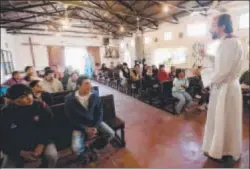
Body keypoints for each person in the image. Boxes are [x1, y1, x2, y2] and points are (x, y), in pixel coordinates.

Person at [201, 14, 244, 166]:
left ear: (222, 27)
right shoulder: (229, 41)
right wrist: (206, 56)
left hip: (225, 89)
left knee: (224, 121)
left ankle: (225, 152)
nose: (211, 28)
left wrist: (207, 79)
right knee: (224, 121)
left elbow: (222, 71)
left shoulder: (229, 43)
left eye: (214, 25)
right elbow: (221, 63)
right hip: (226, 87)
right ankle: (222, 150)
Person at [0, 84, 58, 168]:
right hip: (17, 146)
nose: (29, 98)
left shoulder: (41, 106)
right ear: (12, 100)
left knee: (51, 155)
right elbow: (3, 139)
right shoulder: (5, 114)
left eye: (29, 93)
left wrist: (41, 144)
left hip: (41, 140)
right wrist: (20, 152)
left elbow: (50, 127)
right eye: (22, 97)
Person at [64, 76, 115, 158]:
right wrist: (85, 129)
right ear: (78, 86)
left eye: (90, 83)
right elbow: (70, 119)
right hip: (79, 125)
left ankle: (92, 146)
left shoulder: (94, 94)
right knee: (76, 148)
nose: (90, 86)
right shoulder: (70, 100)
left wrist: (95, 126)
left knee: (111, 134)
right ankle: (84, 152)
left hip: (94, 122)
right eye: (86, 84)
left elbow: (100, 112)